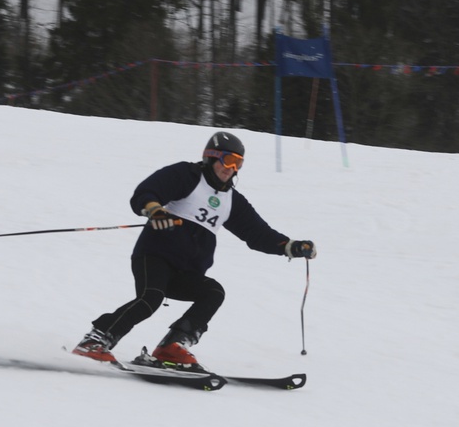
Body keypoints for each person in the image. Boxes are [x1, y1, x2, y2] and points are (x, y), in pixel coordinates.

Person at [72, 131, 316, 370]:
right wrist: (155, 209)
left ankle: (172, 346)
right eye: (227, 160)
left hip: (186, 271)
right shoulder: (187, 175)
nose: (231, 168)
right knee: (150, 299)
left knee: (213, 292)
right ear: (211, 157)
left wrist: (289, 247)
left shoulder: (232, 200)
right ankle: (95, 340)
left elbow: (257, 234)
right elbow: (146, 192)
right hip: (154, 257)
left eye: (238, 163)